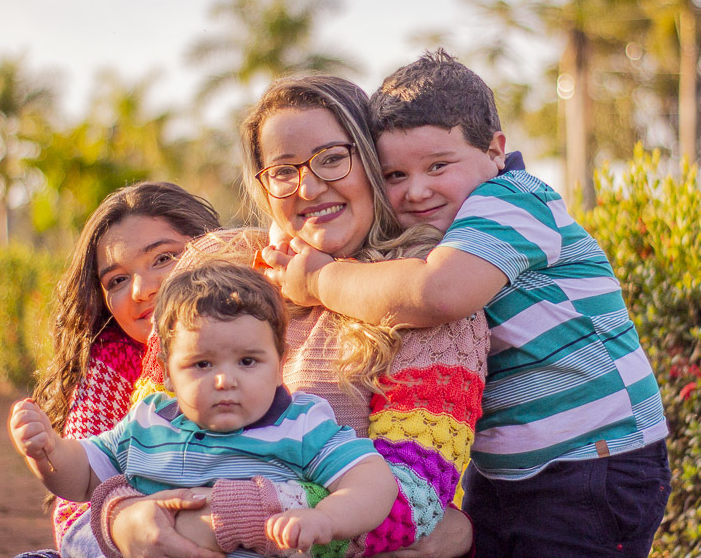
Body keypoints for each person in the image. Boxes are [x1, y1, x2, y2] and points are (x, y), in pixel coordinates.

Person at [268, 50, 672, 557]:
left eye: (439, 165)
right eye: (394, 176)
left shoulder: (511, 200)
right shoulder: (445, 226)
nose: (417, 190)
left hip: (591, 464)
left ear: (496, 150)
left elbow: (435, 294)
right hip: (507, 471)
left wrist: (320, 280)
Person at [94, 76, 489, 558]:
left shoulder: (424, 299)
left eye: (331, 159)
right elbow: (140, 434)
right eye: (283, 171)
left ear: (370, 160)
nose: (309, 186)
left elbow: (414, 499)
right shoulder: (214, 271)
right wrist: (120, 517)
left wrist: (225, 517)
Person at [10, 253, 397, 555]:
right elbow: (81, 479)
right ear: (166, 373)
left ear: (280, 362)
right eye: (201, 364)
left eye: (248, 361)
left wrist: (326, 518)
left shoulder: (300, 424)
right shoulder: (147, 423)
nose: (224, 379)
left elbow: (373, 480)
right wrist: (47, 451)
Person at [28, 181, 222, 558]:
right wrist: (127, 527)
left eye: (163, 258)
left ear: (215, 250)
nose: (141, 290)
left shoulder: (274, 337)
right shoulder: (112, 365)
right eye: (117, 280)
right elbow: (73, 518)